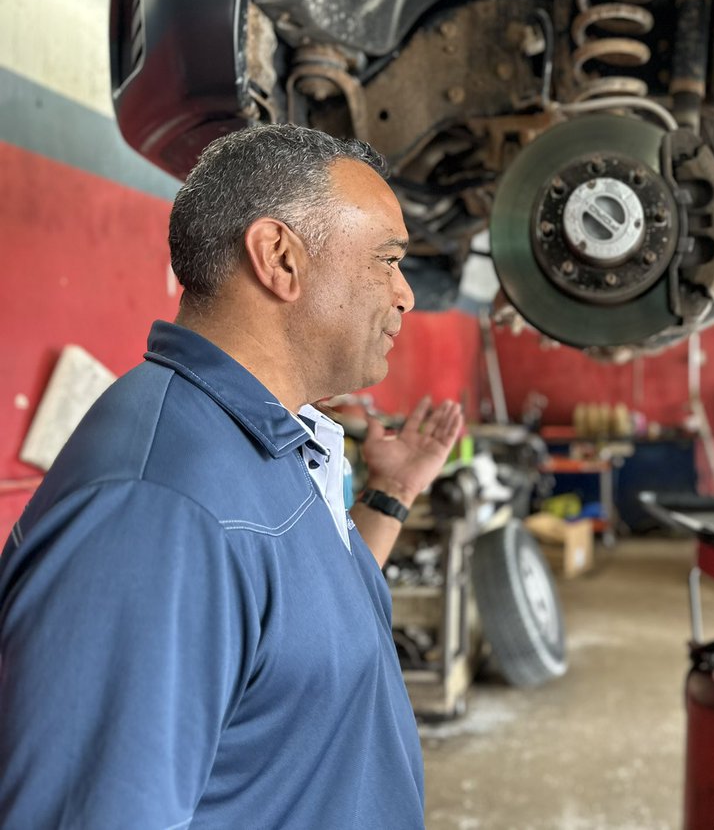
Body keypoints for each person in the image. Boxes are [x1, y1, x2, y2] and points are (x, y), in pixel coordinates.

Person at [0, 125, 463, 828]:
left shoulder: (266, 437)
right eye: (387, 261)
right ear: (280, 258)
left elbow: (292, 627)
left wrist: (389, 496)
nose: (405, 295)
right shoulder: (156, 508)